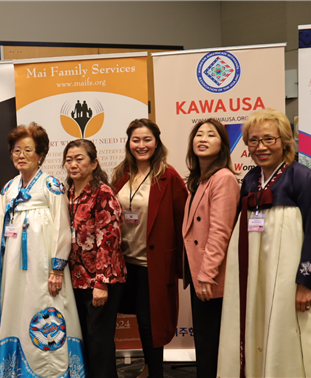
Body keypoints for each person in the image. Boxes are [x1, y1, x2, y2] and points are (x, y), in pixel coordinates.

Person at [0, 123, 85, 377]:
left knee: (44, 307)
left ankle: (50, 370)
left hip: (43, 267)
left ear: (40, 155)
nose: (21, 155)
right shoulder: (8, 189)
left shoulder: (51, 186)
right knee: (15, 310)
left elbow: (63, 229)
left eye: (28, 150)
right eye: (16, 150)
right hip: (12, 268)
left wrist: (57, 269)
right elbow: (1, 228)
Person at [217, 109, 311, 378]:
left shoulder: (302, 177)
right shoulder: (250, 180)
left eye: (269, 139)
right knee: (255, 324)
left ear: (284, 141)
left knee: (285, 328)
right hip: (255, 274)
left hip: (287, 277)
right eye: (254, 140)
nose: (261, 147)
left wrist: (306, 282)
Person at [112, 119, 187, 378]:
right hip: (122, 263)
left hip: (151, 264)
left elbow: (182, 223)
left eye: (147, 140)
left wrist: (179, 265)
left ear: (157, 142)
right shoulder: (121, 173)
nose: (141, 145)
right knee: (114, 318)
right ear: (128, 143)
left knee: (149, 324)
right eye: (136, 140)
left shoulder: (169, 176)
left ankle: (155, 372)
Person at [63, 139, 125, 378]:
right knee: (82, 338)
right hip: (76, 278)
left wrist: (101, 283)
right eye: (69, 160)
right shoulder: (68, 192)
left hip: (100, 280)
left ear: (94, 162)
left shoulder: (103, 192)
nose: (73, 164)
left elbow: (109, 241)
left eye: (79, 159)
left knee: (99, 340)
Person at [182, 119, 239, 378]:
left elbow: (220, 232)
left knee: (212, 346)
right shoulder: (200, 180)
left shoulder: (223, 178)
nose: (202, 138)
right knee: (205, 345)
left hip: (211, 277)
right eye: (198, 134)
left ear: (223, 145)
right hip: (199, 275)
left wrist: (206, 275)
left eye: (211, 135)